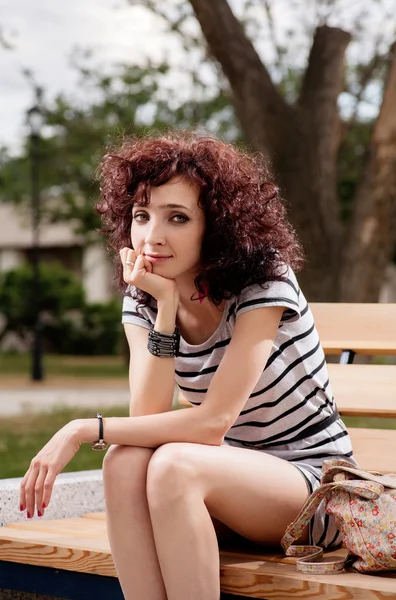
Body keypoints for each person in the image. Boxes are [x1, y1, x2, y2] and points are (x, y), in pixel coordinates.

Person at [19, 131, 357, 600]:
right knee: (123, 463)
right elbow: (150, 420)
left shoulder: (263, 282)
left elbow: (212, 425)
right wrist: (164, 308)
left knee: (175, 466)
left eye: (176, 217)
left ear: (216, 226)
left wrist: (82, 429)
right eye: (141, 216)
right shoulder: (144, 298)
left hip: (313, 487)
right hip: (222, 487)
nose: (152, 237)